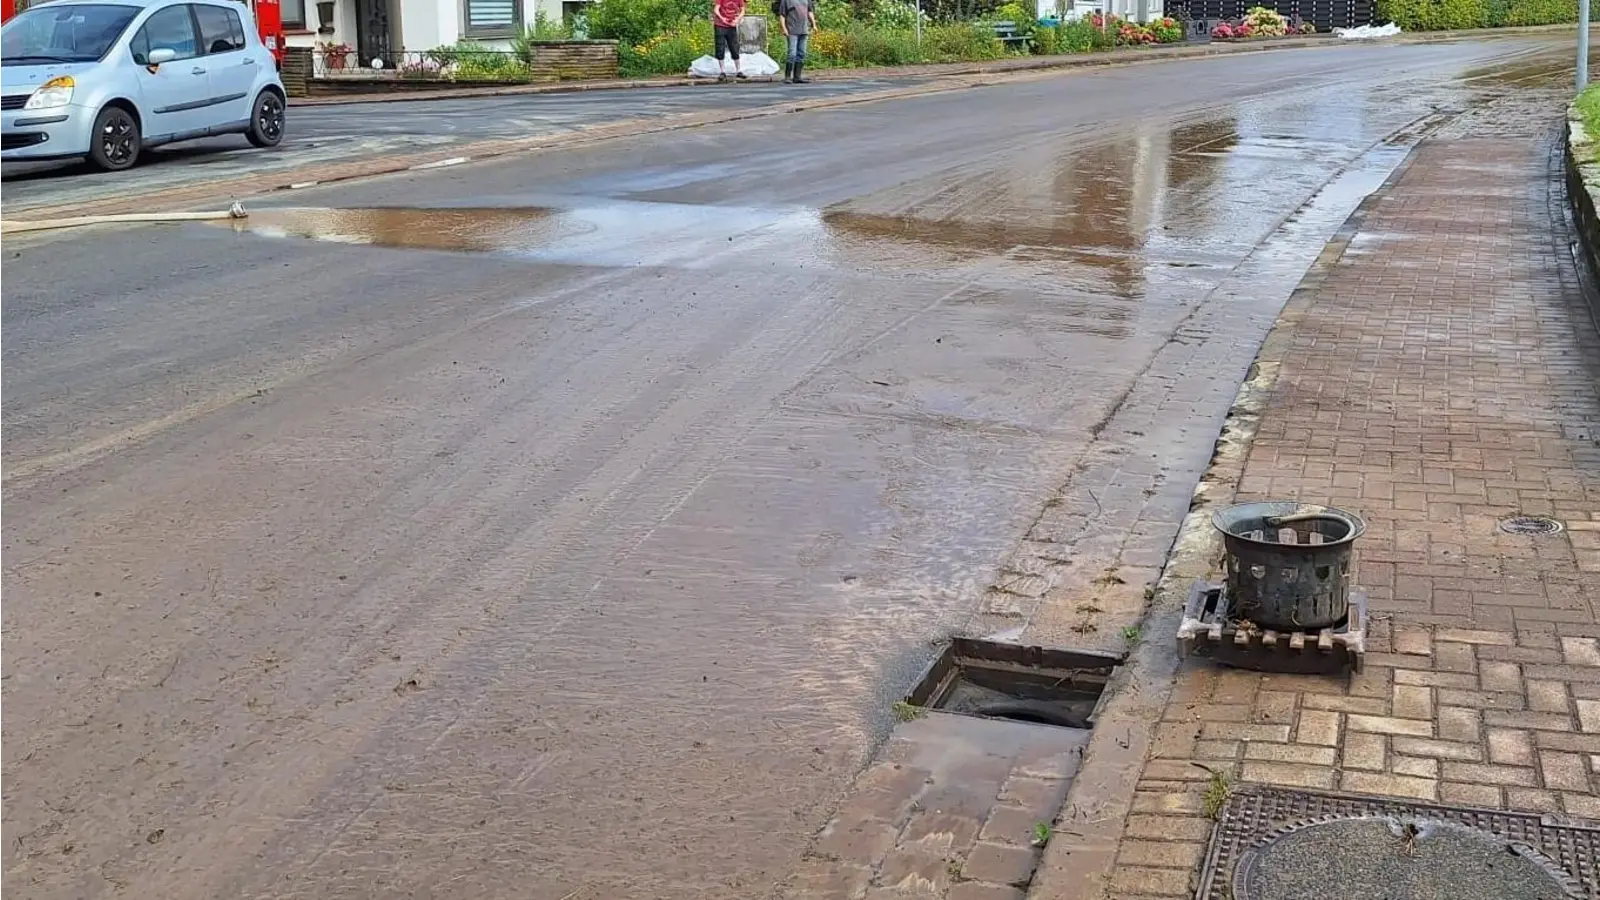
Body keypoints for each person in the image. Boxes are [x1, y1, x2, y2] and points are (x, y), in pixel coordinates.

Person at [777, 0, 816, 84]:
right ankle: (787, 76)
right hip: (792, 31)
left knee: (802, 53)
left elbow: (809, 11)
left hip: (804, 30)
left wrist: (814, 24)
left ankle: (797, 76)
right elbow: (782, 15)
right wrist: (784, 29)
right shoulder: (786, 1)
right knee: (792, 54)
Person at [712, 0, 747, 81]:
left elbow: (743, 10)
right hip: (720, 25)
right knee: (720, 47)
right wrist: (722, 18)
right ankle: (722, 72)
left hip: (731, 25)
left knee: (734, 47)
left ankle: (738, 71)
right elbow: (716, 9)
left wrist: (737, 20)